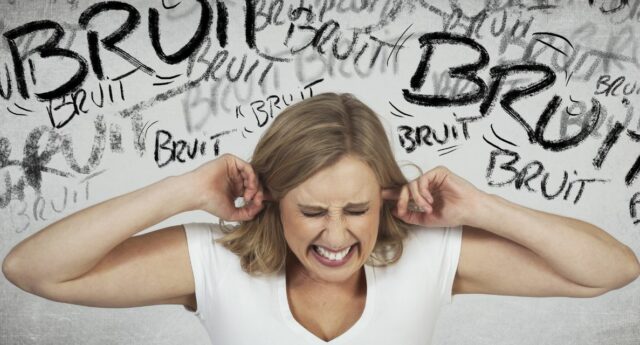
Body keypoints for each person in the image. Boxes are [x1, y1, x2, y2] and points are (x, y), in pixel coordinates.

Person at [3, 93, 639, 344]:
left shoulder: (429, 254)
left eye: (357, 210)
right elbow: (32, 271)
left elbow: (612, 270)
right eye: (311, 211)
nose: (337, 236)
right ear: (273, 200)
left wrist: (484, 208)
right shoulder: (214, 262)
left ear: (385, 199)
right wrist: (183, 190)